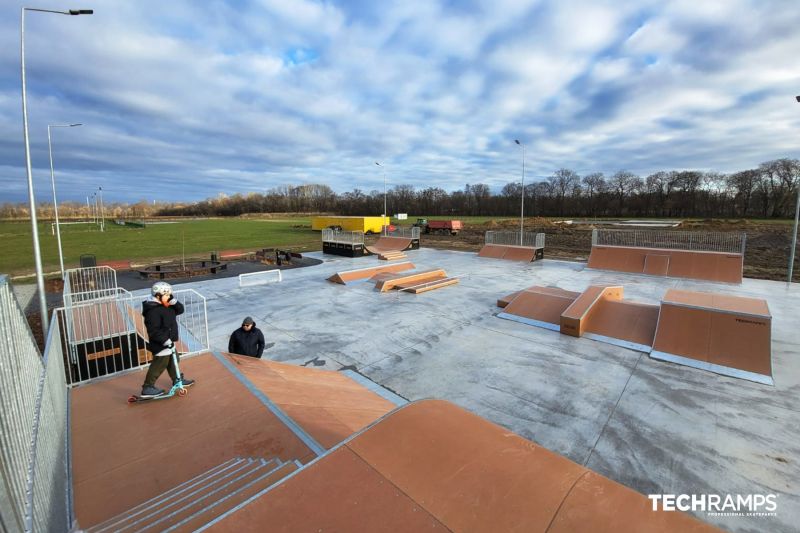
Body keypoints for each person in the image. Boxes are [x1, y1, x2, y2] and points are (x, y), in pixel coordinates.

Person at [140, 281, 195, 398]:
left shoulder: (167, 305)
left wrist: (174, 302)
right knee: (159, 364)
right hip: (160, 343)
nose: (169, 297)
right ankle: (147, 387)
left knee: (174, 360)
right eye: (166, 295)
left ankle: (177, 380)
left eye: (170, 295)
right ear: (157, 296)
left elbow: (180, 310)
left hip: (169, 342)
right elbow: (154, 330)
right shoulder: (152, 310)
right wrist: (165, 340)